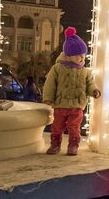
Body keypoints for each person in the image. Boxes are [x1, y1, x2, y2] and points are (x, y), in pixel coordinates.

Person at [43, 27, 102, 156]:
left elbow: (90, 83)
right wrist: (48, 97)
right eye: (79, 56)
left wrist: (94, 91)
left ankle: (73, 145)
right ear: (69, 55)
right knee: (57, 126)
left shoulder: (85, 71)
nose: (82, 58)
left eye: (84, 55)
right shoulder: (57, 68)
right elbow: (50, 84)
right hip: (61, 104)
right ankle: (55, 145)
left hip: (77, 105)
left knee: (74, 127)